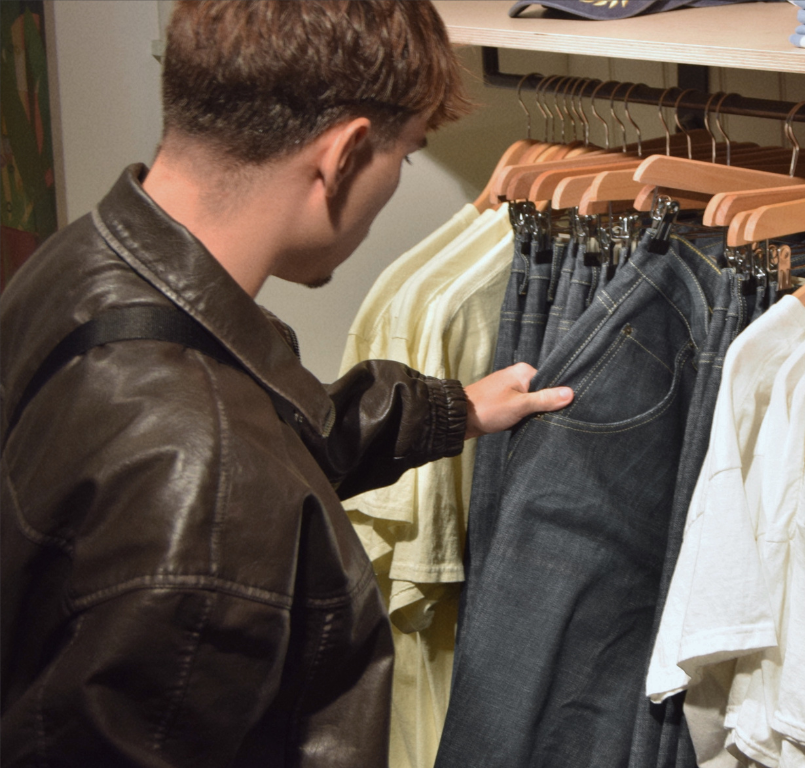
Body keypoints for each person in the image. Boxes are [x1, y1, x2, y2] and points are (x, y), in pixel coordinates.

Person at [0, 2, 570, 765]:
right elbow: (224, 471)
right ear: (344, 155)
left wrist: (453, 409)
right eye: (404, 157)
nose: (396, 180)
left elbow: (268, 437)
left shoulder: (90, 259)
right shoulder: (208, 474)